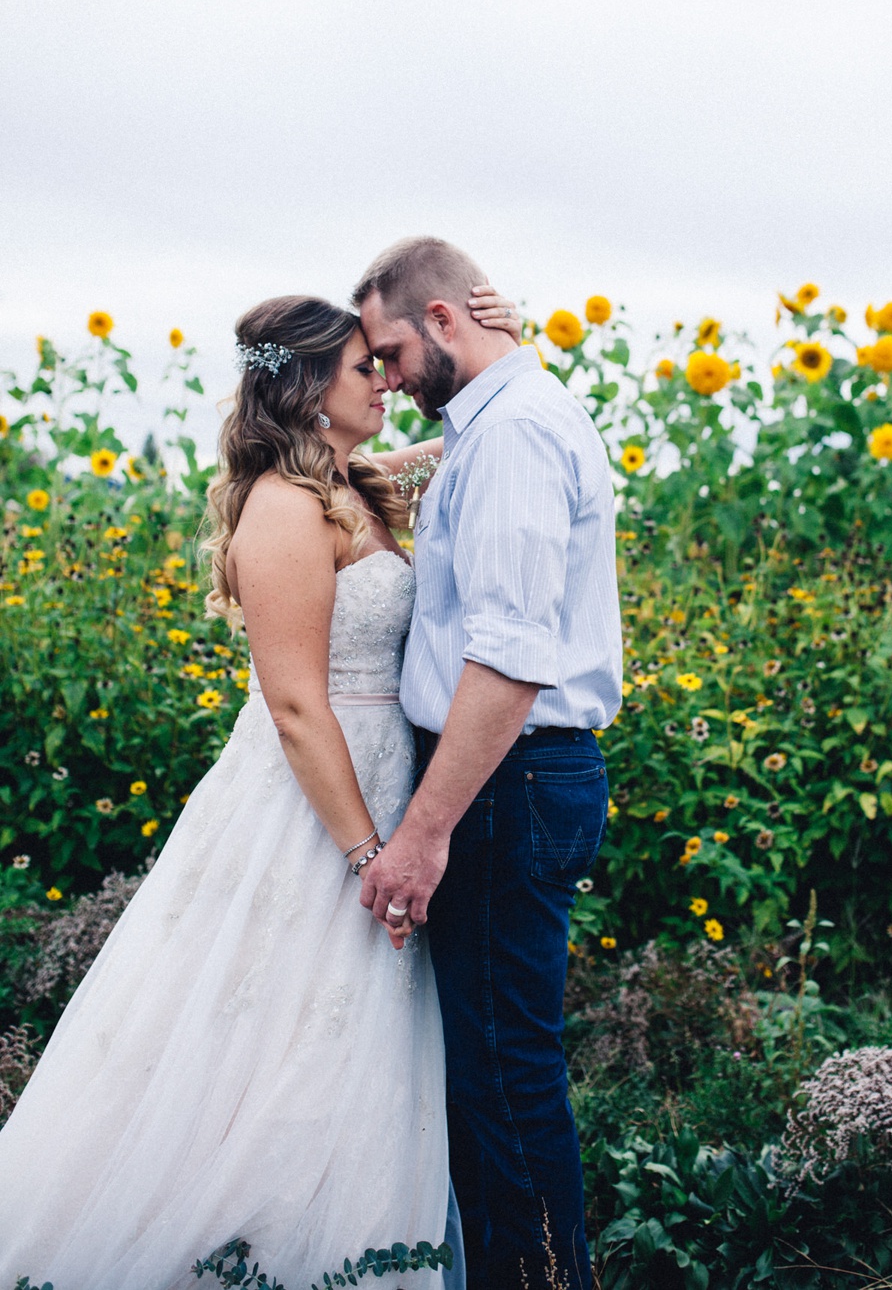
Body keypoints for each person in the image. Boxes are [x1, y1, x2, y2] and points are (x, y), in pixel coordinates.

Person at [0, 285, 518, 1290]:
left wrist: (507, 334)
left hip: (376, 774)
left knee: (341, 1038)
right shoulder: (282, 507)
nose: (386, 379)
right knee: (264, 1027)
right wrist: (368, 849)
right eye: (366, 365)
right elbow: (291, 704)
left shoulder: (346, 479)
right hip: (314, 803)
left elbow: (491, 433)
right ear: (313, 383)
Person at [354, 237, 622, 1290]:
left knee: (506, 1075)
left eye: (387, 351)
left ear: (443, 321)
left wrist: (423, 832)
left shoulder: (510, 436)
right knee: (494, 1063)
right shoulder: (504, 418)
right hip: (510, 775)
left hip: (502, 778)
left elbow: (509, 655)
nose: (382, 376)